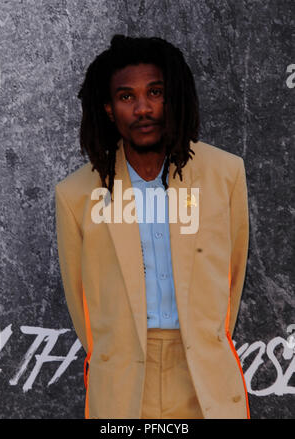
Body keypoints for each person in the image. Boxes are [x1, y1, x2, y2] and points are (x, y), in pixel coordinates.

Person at [55, 34, 250, 419]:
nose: (143, 108)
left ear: (172, 97)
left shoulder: (225, 174)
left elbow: (233, 276)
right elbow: (82, 306)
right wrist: (115, 352)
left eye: (155, 92)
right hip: (123, 380)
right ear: (109, 109)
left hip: (204, 376)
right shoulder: (76, 193)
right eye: (127, 97)